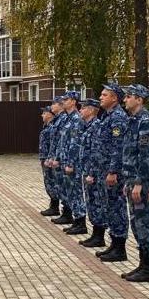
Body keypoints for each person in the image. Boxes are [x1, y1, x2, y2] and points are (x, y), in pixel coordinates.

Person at [120, 84, 149, 282]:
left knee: (144, 222)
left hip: (141, 182)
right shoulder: (132, 121)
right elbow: (129, 153)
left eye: (129, 96)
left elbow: (146, 156)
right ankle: (143, 264)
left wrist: (139, 183)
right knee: (136, 222)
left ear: (139, 99)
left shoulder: (146, 121)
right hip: (131, 179)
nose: (125, 100)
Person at [94, 82, 130, 262]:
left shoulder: (118, 117)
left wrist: (113, 171)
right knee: (109, 207)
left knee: (117, 207)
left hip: (113, 172)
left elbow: (118, 146)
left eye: (104, 95)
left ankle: (120, 248)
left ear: (115, 98)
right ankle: (114, 244)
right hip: (104, 170)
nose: (101, 97)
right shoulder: (107, 117)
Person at [58, 90, 88, 235]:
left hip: (73, 164)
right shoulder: (67, 118)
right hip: (65, 161)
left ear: (73, 102)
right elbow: (64, 141)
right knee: (70, 192)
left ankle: (81, 222)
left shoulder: (77, 119)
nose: (63, 101)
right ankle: (75, 218)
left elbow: (75, 143)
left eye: (66, 99)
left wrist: (70, 163)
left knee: (76, 192)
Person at [78, 99, 107, 248]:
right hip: (87, 171)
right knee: (91, 204)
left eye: (82, 108)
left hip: (94, 173)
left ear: (90, 110)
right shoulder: (87, 126)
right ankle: (95, 234)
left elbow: (96, 153)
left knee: (97, 204)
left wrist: (91, 173)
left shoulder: (96, 127)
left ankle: (99, 235)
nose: (80, 111)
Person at [46, 97, 73, 225]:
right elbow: (57, 142)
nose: (52, 106)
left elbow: (70, 143)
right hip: (60, 158)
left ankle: (69, 215)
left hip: (66, 160)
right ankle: (63, 211)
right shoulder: (62, 119)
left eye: (54, 103)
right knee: (60, 187)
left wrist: (56, 158)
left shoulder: (68, 119)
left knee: (67, 189)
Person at [39, 106, 60, 216]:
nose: (42, 115)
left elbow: (53, 144)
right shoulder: (47, 127)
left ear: (50, 114)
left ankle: (55, 207)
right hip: (45, 158)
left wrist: (50, 158)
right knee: (48, 182)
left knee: (52, 182)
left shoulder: (52, 128)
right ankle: (53, 205)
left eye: (44, 113)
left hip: (49, 159)